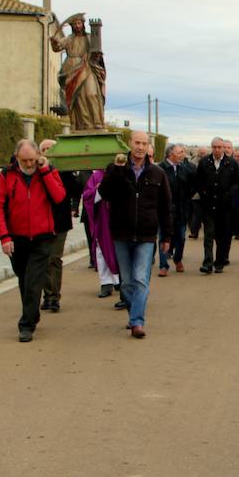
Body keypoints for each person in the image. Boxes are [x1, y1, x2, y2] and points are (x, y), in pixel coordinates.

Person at [98, 131, 172, 338]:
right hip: (121, 233)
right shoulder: (115, 168)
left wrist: (167, 236)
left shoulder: (158, 173)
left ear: (149, 147)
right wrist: (116, 172)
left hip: (146, 235)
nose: (140, 147)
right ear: (129, 144)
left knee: (140, 279)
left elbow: (166, 207)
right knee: (127, 282)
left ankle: (137, 321)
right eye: (137, 143)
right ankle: (134, 314)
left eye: (144, 143)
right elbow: (104, 194)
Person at [0, 139, 66, 342]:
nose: (28, 164)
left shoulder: (48, 171)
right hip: (17, 238)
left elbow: (59, 197)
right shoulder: (7, 174)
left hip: (43, 238)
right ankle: (32, 313)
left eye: (32, 160)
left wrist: (45, 171)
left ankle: (26, 325)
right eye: (24, 160)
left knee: (34, 281)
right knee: (24, 279)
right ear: (17, 158)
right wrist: (4, 237)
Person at [49, 14, 106, 130]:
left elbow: (97, 52)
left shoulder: (89, 37)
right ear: (72, 26)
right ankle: (84, 124)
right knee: (78, 99)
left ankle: (97, 122)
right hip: (71, 70)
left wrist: (94, 55)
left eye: (79, 23)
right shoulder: (69, 39)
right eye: (74, 24)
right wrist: (54, 42)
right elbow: (57, 48)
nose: (77, 26)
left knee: (91, 94)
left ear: (83, 24)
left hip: (86, 67)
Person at [195, 137, 239, 274]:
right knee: (208, 234)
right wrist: (203, 193)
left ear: (223, 148)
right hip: (208, 205)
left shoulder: (232, 163)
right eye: (214, 147)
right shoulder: (204, 163)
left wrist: (230, 193)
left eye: (219, 147)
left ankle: (219, 261)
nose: (217, 150)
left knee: (223, 235)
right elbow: (198, 181)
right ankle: (207, 263)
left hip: (225, 206)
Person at [38, 139, 74, 312]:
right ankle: (48, 295)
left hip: (60, 222)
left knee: (54, 258)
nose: (46, 152)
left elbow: (73, 190)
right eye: (43, 149)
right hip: (43, 222)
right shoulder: (37, 172)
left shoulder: (65, 170)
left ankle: (55, 296)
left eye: (49, 149)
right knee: (44, 260)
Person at [158, 143, 195, 277]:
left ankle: (178, 259)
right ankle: (163, 265)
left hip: (182, 210)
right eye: (179, 152)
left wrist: (187, 199)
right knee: (163, 237)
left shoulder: (184, 169)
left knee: (181, 237)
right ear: (170, 154)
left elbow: (192, 186)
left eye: (183, 152)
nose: (182, 155)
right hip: (165, 210)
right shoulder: (160, 169)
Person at [83, 169, 121, 298]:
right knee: (102, 250)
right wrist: (98, 190)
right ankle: (106, 283)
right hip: (103, 218)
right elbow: (87, 195)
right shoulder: (96, 176)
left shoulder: (123, 172)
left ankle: (119, 280)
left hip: (120, 217)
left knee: (121, 250)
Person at [188, 146, 207, 239]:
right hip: (196, 194)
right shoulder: (192, 163)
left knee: (207, 215)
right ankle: (194, 232)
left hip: (207, 194)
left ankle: (208, 233)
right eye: (201, 153)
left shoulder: (209, 161)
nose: (203, 155)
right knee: (196, 215)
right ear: (198, 153)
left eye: (204, 153)